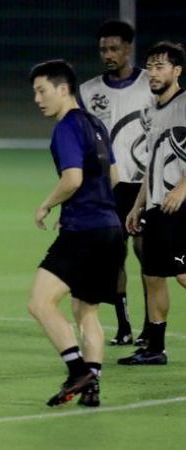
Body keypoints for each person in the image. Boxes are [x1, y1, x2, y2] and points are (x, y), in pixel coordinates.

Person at [27, 60, 125, 408]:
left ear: (63, 88)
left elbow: (72, 180)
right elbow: (113, 177)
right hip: (110, 229)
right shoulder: (96, 123)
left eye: (42, 90)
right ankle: (92, 386)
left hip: (85, 231)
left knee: (40, 302)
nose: (37, 98)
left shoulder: (67, 127)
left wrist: (46, 205)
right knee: (87, 312)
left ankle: (76, 369)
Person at [79, 20, 155, 346]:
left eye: (113, 48)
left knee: (147, 253)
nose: (107, 54)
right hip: (106, 188)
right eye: (103, 49)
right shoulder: (88, 90)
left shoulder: (151, 85)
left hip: (143, 186)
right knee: (114, 257)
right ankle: (124, 328)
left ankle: (152, 327)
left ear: (128, 49)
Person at [118, 41, 186, 366]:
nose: (154, 72)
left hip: (181, 207)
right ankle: (155, 349)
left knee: (184, 275)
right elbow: (151, 165)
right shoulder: (152, 111)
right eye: (151, 66)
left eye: (161, 66)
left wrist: (182, 189)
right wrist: (137, 205)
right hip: (158, 207)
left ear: (177, 71)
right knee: (153, 275)